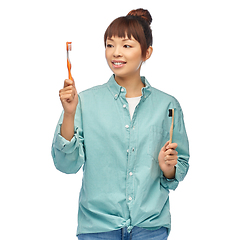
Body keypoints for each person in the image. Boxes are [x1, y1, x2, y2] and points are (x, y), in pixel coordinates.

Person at [52, 8, 190, 240]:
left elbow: (181, 163)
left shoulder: (168, 105)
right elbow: (66, 165)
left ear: (147, 53)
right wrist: (68, 114)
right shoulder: (84, 101)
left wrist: (169, 169)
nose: (116, 53)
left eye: (126, 45)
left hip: (150, 227)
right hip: (98, 227)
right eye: (110, 45)